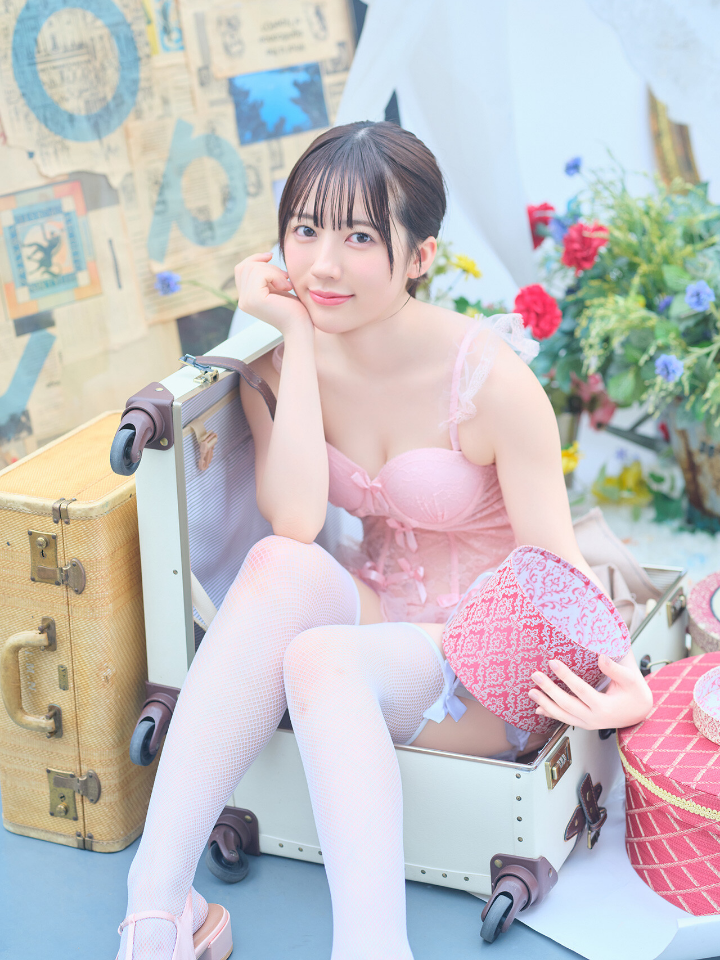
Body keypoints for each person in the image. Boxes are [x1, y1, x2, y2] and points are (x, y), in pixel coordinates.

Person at [116, 122, 652, 960]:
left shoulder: (492, 382)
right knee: (278, 564)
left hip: (481, 660)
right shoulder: (279, 361)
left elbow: (557, 568)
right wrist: (295, 342)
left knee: (317, 659)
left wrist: (627, 683)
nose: (323, 265)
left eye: (360, 237)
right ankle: (156, 911)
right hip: (379, 614)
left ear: (420, 256)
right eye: (305, 230)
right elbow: (297, 521)